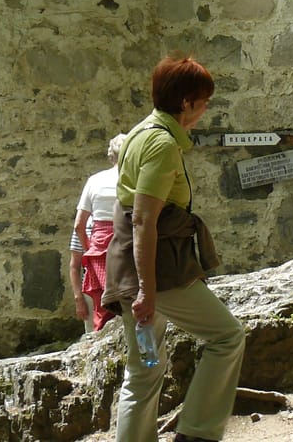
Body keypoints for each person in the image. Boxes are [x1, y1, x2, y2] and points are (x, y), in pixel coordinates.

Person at [102, 54, 245, 442]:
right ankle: (197, 433)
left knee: (144, 370)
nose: (206, 107)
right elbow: (145, 219)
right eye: (204, 100)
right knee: (227, 336)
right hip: (160, 271)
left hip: (131, 267)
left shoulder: (138, 133)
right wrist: (148, 292)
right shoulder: (161, 144)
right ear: (186, 103)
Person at [74, 132, 127, 331]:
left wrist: (90, 248)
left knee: (103, 307)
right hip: (128, 242)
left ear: (111, 155)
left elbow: (79, 225)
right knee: (132, 303)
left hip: (100, 247)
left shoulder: (94, 181)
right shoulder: (136, 180)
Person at [68, 229, 92, 331]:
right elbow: (74, 266)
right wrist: (79, 299)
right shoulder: (83, 226)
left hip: (117, 289)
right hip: (90, 291)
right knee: (92, 337)